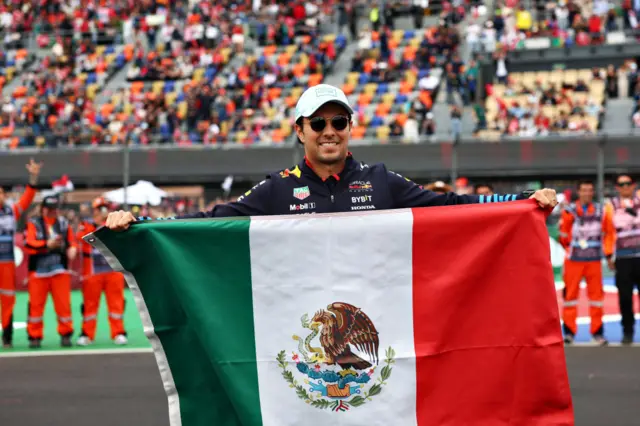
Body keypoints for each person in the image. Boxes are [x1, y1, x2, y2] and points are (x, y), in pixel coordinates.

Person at [105, 84, 558, 230]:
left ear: (349, 128)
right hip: (300, 329)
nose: (328, 132)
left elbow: (453, 208)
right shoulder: (277, 187)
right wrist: (143, 225)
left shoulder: (381, 180)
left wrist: (522, 199)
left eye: (338, 122)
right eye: (317, 123)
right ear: (299, 130)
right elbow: (210, 221)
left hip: (377, 324)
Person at [558, 180, 614, 346]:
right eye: (584, 190)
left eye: (590, 190)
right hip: (573, 261)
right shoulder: (569, 211)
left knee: (597, 298)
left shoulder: (601, 211)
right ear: (578, 192)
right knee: (570, 297)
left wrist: (608, 252)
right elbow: (563, 235)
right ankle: (568, 332)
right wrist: (570, 249)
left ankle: (597, 333)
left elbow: (609, 233)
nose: (587, 193)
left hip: (594, 261)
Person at [24, 195, 77, 349]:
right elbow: (29, 244)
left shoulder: (63, 223)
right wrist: (47, 244)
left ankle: (65, 334)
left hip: (59, 270)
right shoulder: (34, 223)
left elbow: (72, 242)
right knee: (36, 306)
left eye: (54, 209)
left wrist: (72, 248)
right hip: (38, 272)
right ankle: (35, 336)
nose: (52, 211)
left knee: (63, 306)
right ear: (43, 208)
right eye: (49, 208)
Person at [0, 159, 43, 348]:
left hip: (7, 263)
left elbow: (28, 196)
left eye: (0, 193)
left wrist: (33, 176)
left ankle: (7, 337)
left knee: (8, 299)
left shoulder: (12, 210)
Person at [75, 197, 128, 347]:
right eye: (100, 209)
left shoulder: (114, 224)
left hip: (113, 271)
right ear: (95, 211)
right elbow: (79, 239)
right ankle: (87, 335)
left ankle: (118, 333)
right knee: (90, 305)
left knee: (116, 304)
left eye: (105, 208)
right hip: (92, 272)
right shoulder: (85, 225)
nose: (103, 211)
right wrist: (95, 224)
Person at [607, 174, 640, 345]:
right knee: (625, 297)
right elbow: (607, 232)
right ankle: (628, 331)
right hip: (623, 258)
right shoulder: (610, 206)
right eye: (622, 184)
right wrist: (608, 256)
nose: (625, 187)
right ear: (617, 187)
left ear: (633, 185)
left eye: (628, 183)